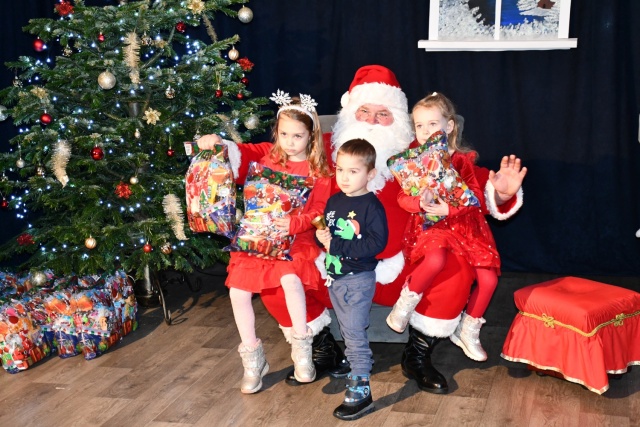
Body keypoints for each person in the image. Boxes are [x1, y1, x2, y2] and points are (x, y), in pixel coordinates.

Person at [198, 65, 527, 394]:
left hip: (406, 268)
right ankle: (323, 349)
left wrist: (500, 193)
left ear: (398, 119)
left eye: (383, 114)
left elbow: (468, 185)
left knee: (454, 267)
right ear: (350, 112)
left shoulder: (420, 150)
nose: (372, 121)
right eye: (364, 111)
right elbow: (264, 154)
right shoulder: (323, 147)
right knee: (275, 272)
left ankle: (418, 355)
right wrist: (222, 148)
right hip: (332, 267)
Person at [198, 93, 332, 393]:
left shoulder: (319, 172)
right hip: (257, 238)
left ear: (311, 136)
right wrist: (217, 142)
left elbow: (318, 211)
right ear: (276, 132)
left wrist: (294, 223)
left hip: (294, 240)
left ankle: (302, 350)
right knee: (238, 292)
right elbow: (238, 154)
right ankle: (253, 359)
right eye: (284, 134)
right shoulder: (267, 157)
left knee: (290, 280)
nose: (290, 142)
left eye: (297, 136)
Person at [386, 92, 501, 363]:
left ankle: (468, 329)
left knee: (489, 280)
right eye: (420, 125)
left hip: (467, 227)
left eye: (432, 124)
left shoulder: (461, 160)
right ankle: (405, 302)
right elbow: (402, 197)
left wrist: (450, 209)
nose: (426, 131)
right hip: (433, 227)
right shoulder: (413, 162)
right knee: (435, 259)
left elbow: (475, 196)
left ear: (449, 126)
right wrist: (419, 202)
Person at [315, 139, 388, 420]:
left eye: (353, 171)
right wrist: (320, 237)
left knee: (355, 332)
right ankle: (359, 361)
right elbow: (328, 234)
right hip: (336, 277)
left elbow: (376, 243)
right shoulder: (335, 201)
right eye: (340, 169)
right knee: (348, 329)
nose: (344, 177)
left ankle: (361, 389)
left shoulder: (372, 206)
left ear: (370, 174)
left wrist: (335, 245)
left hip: (358, 279)